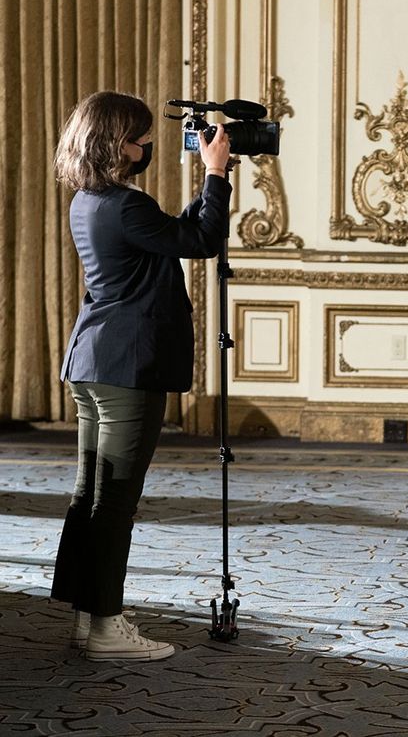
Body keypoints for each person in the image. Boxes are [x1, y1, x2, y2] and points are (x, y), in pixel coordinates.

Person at [50, 91, 232, 660]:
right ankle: (106, 628)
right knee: (115, 503)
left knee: (91, 495)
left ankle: (87, 618)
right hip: (126, 368)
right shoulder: (127, 205)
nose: (149, 143)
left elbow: (172, 234)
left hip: (93, 361)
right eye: (142, 135)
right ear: (118, 144)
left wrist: (209, 181)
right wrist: (216, 174)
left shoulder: (90, 199)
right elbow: (201, 241)